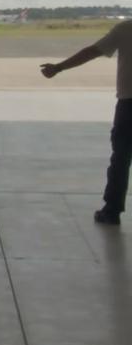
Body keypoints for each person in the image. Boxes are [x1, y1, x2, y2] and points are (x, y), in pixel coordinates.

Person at [41, 19, 132, 225]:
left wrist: (58, 68)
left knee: (121, 158)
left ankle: (112, 210)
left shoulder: (126, 28)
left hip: (129, 104)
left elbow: (92, 52)